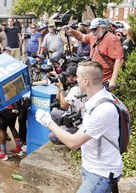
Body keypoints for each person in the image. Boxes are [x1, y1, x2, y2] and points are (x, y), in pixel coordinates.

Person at [36, 61, 122, 192]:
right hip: (91, 166)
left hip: (101, 173)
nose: (76, 80)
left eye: (78, 77)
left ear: (86, 81)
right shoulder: (99, 98)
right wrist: (81, 107)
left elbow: (73, 143)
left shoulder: (103, 109)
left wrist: (47, 121)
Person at [65, 18, 124, 87]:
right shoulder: (93, 36)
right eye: (91, 29)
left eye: (95, 29)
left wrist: (113, 81)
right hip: (96, 79)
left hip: (106, 81)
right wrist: (72, 31)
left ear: (103, 28)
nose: (92, 31)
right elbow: (82, 37)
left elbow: (119, 60)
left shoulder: (112, 39)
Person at [48, 66, 84, 145]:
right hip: (73, 114)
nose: (66, 78)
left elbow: (63, 105)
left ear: (75, 77)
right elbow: (58, 99)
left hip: (78, 123)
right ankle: (62, 131)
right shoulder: (74, 86)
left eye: (68, 76)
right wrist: (61, 87)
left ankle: (68, 139)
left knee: (52, 136)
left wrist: (61, 88)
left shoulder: (76, 89)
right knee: (54, 112)